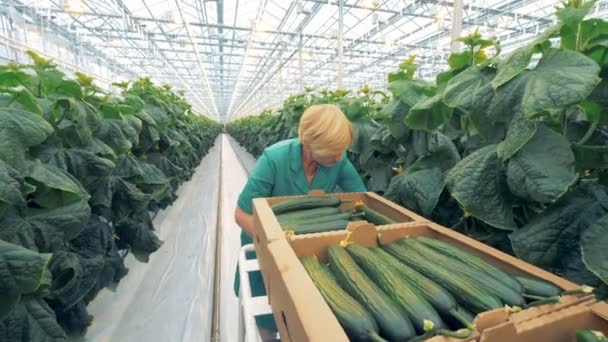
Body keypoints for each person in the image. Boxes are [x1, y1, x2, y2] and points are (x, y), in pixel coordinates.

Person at [233, 104, 367, 340]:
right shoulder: (274, 159)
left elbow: (360, 198)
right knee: (267, 313)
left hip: (305, 249)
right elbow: (242, 215)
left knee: (299, 314)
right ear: (310, 145)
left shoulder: (338, 160)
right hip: (266, 248)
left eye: (341, 151)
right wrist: (276, 242)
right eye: (333, 152)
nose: (339, 157)